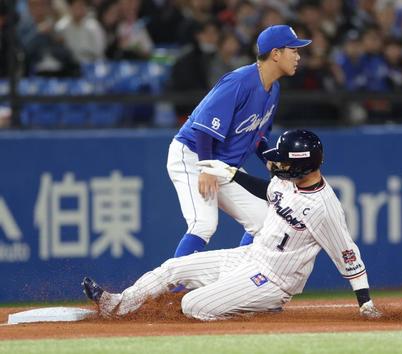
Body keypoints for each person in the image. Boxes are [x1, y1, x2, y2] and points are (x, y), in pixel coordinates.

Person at [82, 129, 381, 321]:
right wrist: (231, 173)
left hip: (273, 280)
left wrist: (364, 303)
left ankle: (252, 313)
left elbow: (347, 254)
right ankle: (117, 304)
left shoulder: (324, 209)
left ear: (303, 165)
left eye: (285, 162)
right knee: (174, 267)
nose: (278, 165)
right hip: (250, 257)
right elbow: (268, 190)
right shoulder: (289, 181)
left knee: (193, 305)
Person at [167, 25, 312, 258]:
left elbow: (258, 134)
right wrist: (205, 167)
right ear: (275, 54)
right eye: (293, 50)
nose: (298, 56)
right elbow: (203, 127)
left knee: (265, 223)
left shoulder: (273, 89)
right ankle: (169, 289)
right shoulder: (239, 81)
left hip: (225, 165)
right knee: (203, 224)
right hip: (194, 155)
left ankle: (236, 279)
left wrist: (270, 159)